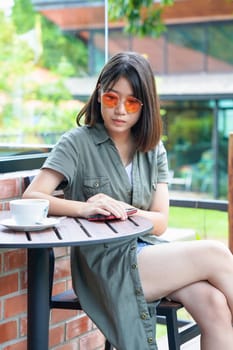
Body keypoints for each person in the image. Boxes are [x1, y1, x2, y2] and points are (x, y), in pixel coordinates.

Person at [23, 51, 233, 350]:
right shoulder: (77, 142)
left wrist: (123, 211)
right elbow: (34, 196)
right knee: (215, 253)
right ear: (99, 96)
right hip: (104, 262)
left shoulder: (152, 148)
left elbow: (160, 222)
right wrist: (86, 208)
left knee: (213, 304)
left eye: (132, 102)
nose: (120, 110)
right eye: (112, 98)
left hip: (148, 252)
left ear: (144, 106)